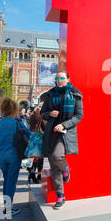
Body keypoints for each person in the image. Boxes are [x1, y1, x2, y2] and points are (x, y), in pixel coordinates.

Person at [41, 71, 83, 210]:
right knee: (53, 163)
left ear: (68, 79)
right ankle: (60, 195)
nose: (59, 80)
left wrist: (63, 125)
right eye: (57, 78)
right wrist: (49, 114)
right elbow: (42, 112)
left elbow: (79, 116)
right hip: (51, 132)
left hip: (66, 132)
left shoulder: (75, 94)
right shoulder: (50, 94)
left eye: (62, 78)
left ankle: (65, 169)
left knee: (56, 156)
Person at [0, 97, 31, 216]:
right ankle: (8, 208)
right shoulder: (17, 123)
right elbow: (30, 134)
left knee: (6, 180)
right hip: (15, 156)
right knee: (11, 182)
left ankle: (7, 206)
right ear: (14, 110)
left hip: (2, 157)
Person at [27, 103, 45, 184]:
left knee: (35, 156)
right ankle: (38, 174)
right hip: (39, 137)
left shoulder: (32, 115)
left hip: (32, 136)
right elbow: (45, 126)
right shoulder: (41, 114)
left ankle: (32, 173)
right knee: (40, 157)